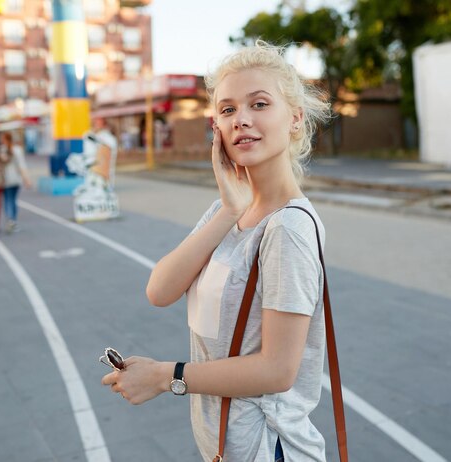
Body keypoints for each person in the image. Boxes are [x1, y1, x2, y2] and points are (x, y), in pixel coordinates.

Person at [101, 41, 331, 461]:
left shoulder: (288, 228)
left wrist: (162, 377)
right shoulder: (227, 208)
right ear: (216, 128)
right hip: (226, 446)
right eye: (227, 110)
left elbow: (278, 370)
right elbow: (160, 290)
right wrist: (228, 210)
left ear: (295, 119)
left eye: (259, 104)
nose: (241, 119)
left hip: (269, 448)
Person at [1, 132, 32, 233]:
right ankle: (12, 220)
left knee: (7, 200)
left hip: (4, 180)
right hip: (15, 179)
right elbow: (22, 166)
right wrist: (26, 179)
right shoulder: (17, 150)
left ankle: (10, 220)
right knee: (13, 200)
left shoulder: (2, 150)